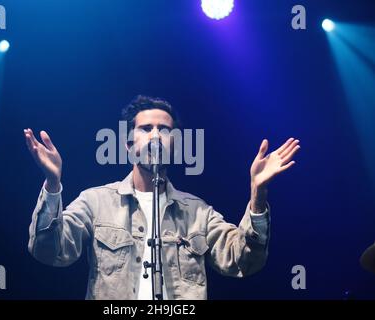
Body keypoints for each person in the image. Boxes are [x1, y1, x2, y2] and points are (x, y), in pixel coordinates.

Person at [24, 95, 301, 299]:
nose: (156, 135)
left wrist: (258, 194)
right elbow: (49, 251)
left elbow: (245, 261)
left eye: (164, 130)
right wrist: (52, 183)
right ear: (129, 145)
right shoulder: (96, 203)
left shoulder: (198, 212)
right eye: (146, 129)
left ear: (175, 144)